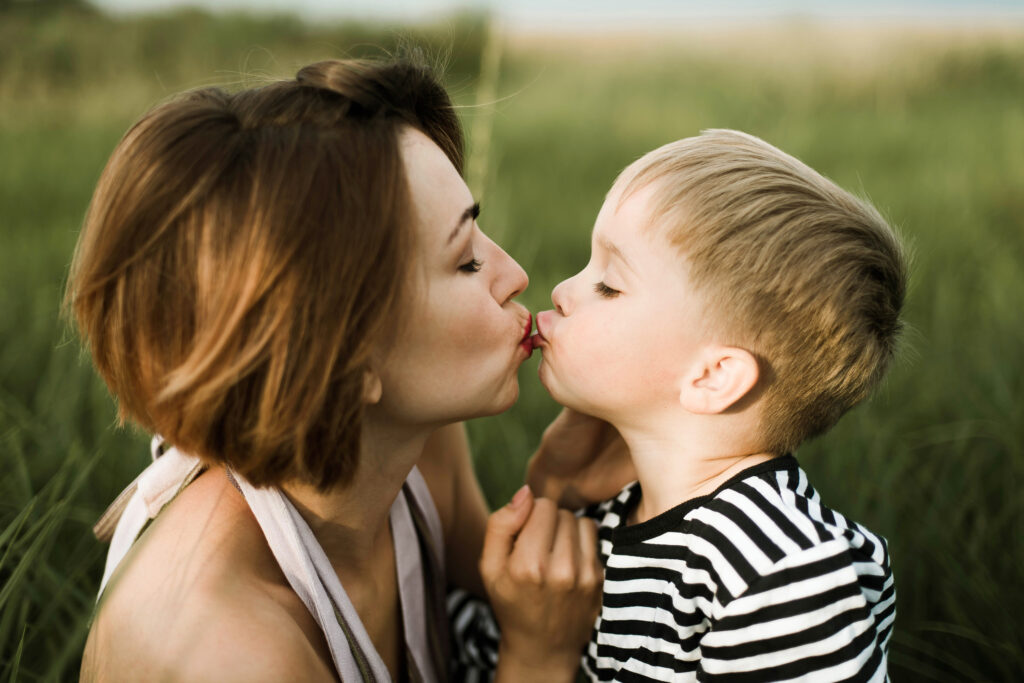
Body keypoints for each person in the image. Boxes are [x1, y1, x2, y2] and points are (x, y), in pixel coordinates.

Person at [67, 56, 607, 682]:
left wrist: (565, 488)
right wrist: (537, 661)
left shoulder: (415, 446)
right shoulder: (232, 654)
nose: (515, 274)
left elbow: (512, 587)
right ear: (343, 359)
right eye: (464, 263)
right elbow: (536, 635)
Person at [525, 129, 905, 681]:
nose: (563, 289)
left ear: (712, 377)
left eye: (608, 284)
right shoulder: (615, 513)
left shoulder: (779, 575)